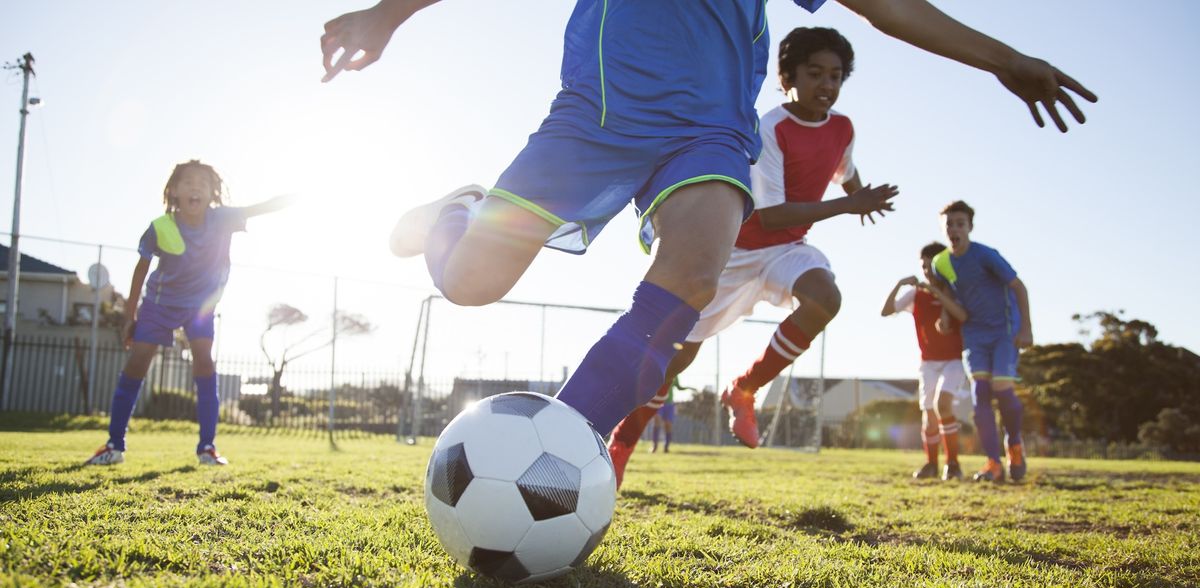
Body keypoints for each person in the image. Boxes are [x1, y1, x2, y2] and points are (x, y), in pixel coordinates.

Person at [319, 0, 1094, 484]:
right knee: (471, 284)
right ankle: (461, 211)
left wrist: (1006, 59)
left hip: (710, 131)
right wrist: (388, 14)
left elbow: (887, 6)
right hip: (593, 117)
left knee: (690, 278)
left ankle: (563, 448)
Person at [607, 25, 897, 485]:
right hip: (736, 250)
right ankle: (622, 444)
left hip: (785, 250)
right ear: (789, 78)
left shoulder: (843, 128)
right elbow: (776, 213)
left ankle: (744, 390)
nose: (826, 85)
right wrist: (849, 205)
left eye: (836, 76)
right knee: (676, 360)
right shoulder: (771, 128)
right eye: (815, 73)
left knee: (826, 297)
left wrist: (863, 196)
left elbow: (846, 170)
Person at [85, 161, 293, 466]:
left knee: (204, 362)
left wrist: (296, 197)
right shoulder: (160, 227)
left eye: (202, 183)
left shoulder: (223, 219)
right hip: (160, 303)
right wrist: (130, 315)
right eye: (187, 182)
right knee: (139, 360)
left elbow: (260, 207)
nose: (195, 187)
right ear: (174, 191)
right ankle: (114, 445)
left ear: (212, 193)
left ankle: (207, 447)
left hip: (200, 305)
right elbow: (141, 270)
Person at [932, 201, 1031, 482]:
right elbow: (947, 291)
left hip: (1004, 330)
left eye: (960, 224)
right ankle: (993, 462)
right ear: (943, 228)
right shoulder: (941, 262)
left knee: (1002, 386)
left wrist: (1027, 329)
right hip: (974, 334)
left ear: (970, 227)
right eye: (949, 224)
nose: (954, 229)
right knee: (981, 393)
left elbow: (1018, 286)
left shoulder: (986, 256)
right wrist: (945, 317)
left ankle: (1014, 443)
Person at [882, 242, 970, 480]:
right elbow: (886, 311)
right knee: (929, 413)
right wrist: (900, 284)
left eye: (932, 266)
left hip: (952, 360)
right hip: (928, 362)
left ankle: (952, 464)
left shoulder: (955, 291)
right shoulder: (916, 294)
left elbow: (962, 317)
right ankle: (931, 463)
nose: (928, 271)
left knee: (944, 405)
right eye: (924, 267)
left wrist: (942, 300)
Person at [649, 378, 692, 454]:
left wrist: (689, 388)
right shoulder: (660, 369)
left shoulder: (675, 375)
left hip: (669, 404)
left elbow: (679, 387)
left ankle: (666, 447)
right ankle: (654, 446)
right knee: (657, 421)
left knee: (668, 425)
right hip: (659, 402)